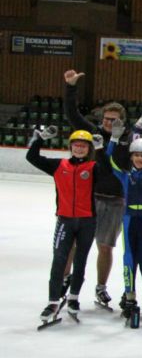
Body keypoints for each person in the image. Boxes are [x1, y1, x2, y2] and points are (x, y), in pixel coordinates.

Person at [28, 127, 115, 323]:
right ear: (71, 147)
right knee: (59, 260)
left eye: (84, 146)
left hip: (87, 221)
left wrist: (101, 149)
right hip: (65, 221)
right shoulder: (59, 165)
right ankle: (52, 302)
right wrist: (40, 139)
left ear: (89, 148)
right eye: (76, 145)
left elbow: (108, 173)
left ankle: (74, 298)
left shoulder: (93, 167)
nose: (79, 148)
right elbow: (32, 158)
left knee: (80, 260)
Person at [63, 69, 128, 309]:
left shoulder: (128, 140)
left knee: (105, 246)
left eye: (114, 120)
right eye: (107, 119)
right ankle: (65, 280)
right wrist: (70, 87)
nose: (109, 122)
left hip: (115, 200)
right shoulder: (94, 133)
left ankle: (101, 286)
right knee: (74, 244)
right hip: (89, 199)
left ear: (122, 121)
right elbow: (72, 115)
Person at [106, 122, 142, 324]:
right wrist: (113, 139)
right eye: (136, 155)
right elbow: (109, 161)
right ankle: (129, 296)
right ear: (131, 157)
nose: (139, 159)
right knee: (128, 258)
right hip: (128, 220)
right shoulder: (125, 176)